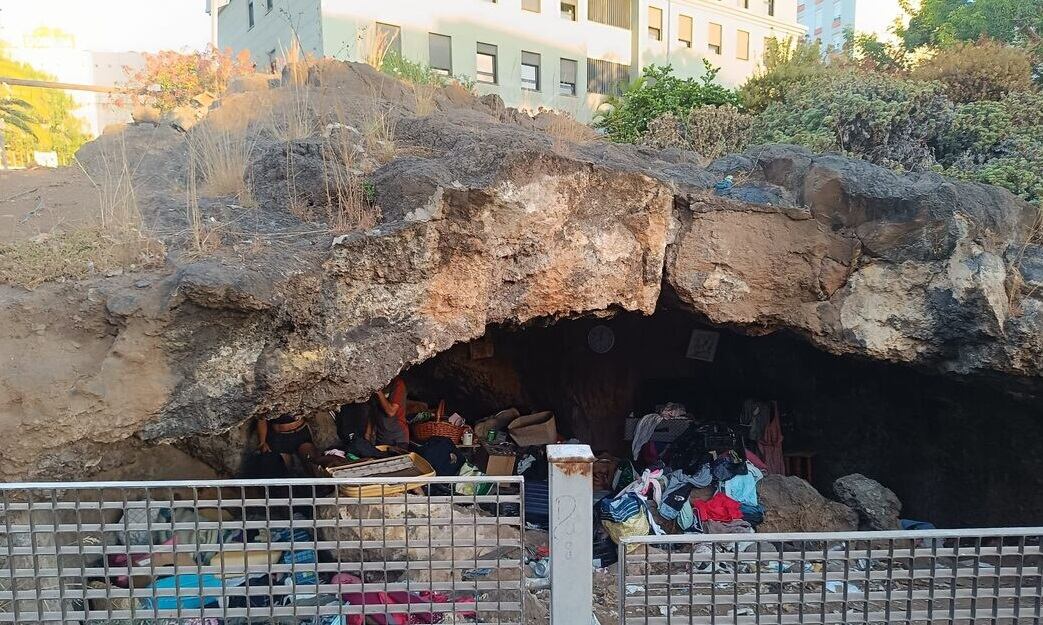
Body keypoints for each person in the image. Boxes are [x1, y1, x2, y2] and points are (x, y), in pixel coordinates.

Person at [372, 377, 409, 447]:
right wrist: (368, 435)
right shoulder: (377, 383)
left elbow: (391, 412)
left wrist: (379, 392)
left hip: (397, 439)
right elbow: (372, 412)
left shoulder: (397, 384)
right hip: (381, 437)